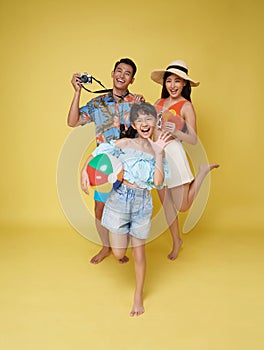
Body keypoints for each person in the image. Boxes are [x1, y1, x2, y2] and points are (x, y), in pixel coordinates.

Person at [81, 102, 171, 316]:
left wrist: (158, 153)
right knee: (119, 252)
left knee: (139, 253)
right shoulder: (124, 143)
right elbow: (100, 152)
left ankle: (138, 296)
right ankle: (122, 240)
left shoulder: (158, 150)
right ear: (133, 124)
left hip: (142, 203)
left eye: (148, 118)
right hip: (119, 199)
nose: (144, 123)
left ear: (155, 122)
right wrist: (85, 170)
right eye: (139, 120)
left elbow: (158, 182)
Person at [67, 58, 144, 264]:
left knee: (127, 209)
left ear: (132, 79)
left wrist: (141, 109)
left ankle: (121, 248)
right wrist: (77, 93)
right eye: (119, 71)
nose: (121, 75)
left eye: (127, 73)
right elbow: (72, 121)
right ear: (112, 73)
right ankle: (106, 247)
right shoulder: (98, 103)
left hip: (129, 164)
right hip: (104, 165)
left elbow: (147, 134)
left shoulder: (136, 102)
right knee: (99, 208)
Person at [150, 60, 219, 260]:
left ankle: (203, 172)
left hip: (175, 154)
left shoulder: (186, 106)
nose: (172, 85)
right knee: (167, 206)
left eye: (177, 81)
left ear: (184, 85)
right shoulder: (158, 103)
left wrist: (179, 131)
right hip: (158, 155)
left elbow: (194, 139)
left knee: (183, 206)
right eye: (169, 81)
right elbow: (151, 129)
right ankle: (176, 240)